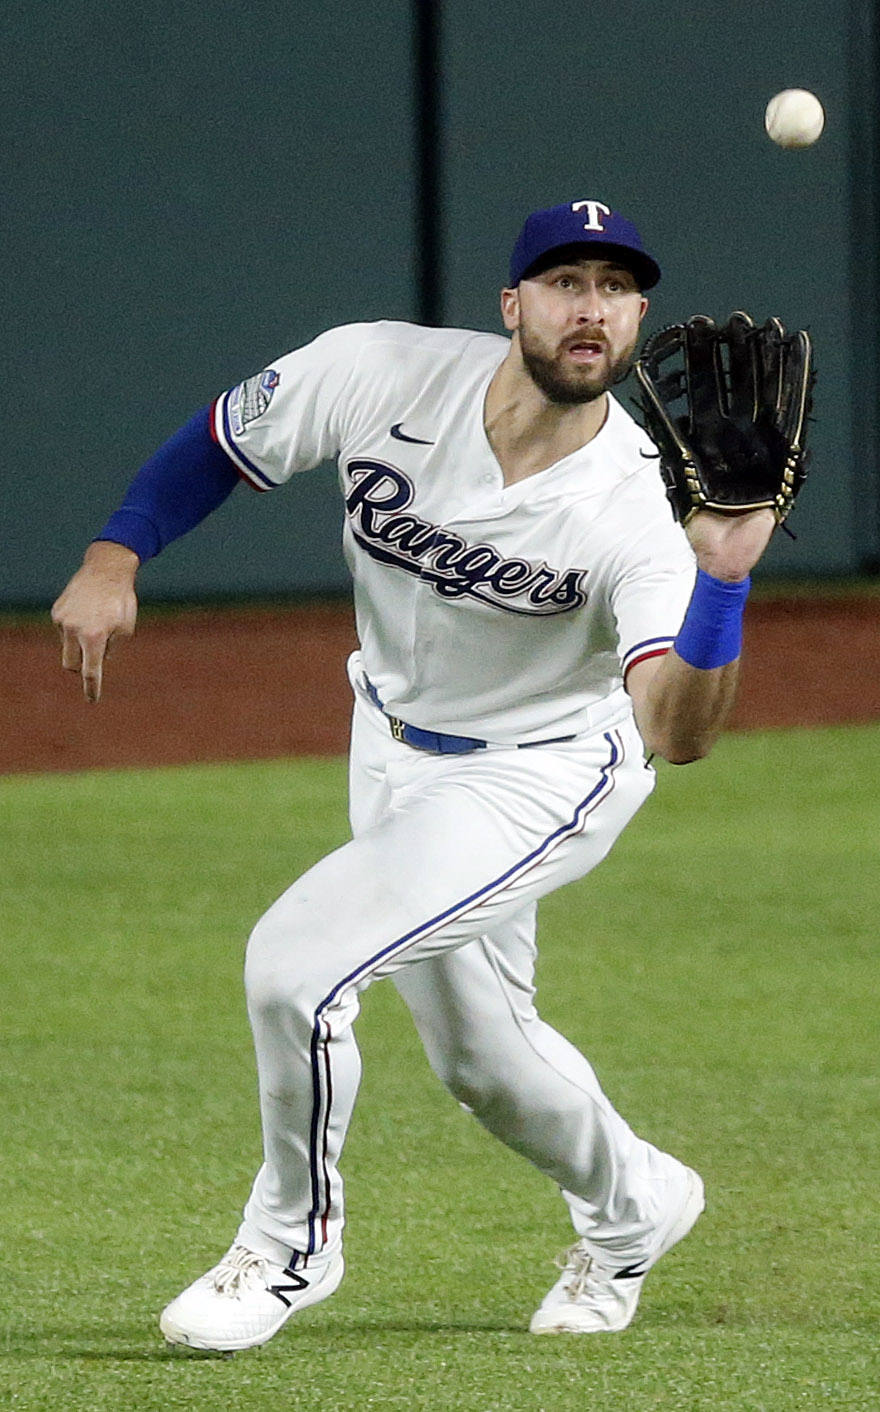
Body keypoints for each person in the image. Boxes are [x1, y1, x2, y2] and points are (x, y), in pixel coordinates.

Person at [52, 198, 775, 1351]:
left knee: (295, 966)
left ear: (637, 317)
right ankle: (636, 1204)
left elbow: (677, 733)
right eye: (564, 280)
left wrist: (723, 579)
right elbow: (219, 443)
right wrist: (114, 553)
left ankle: (291, 1244)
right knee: (485, 1062)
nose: (589, 306)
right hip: (388, 735)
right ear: (512, 304)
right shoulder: (381, 369)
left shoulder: (638, 505)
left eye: (614, 287)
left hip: (537, 772)